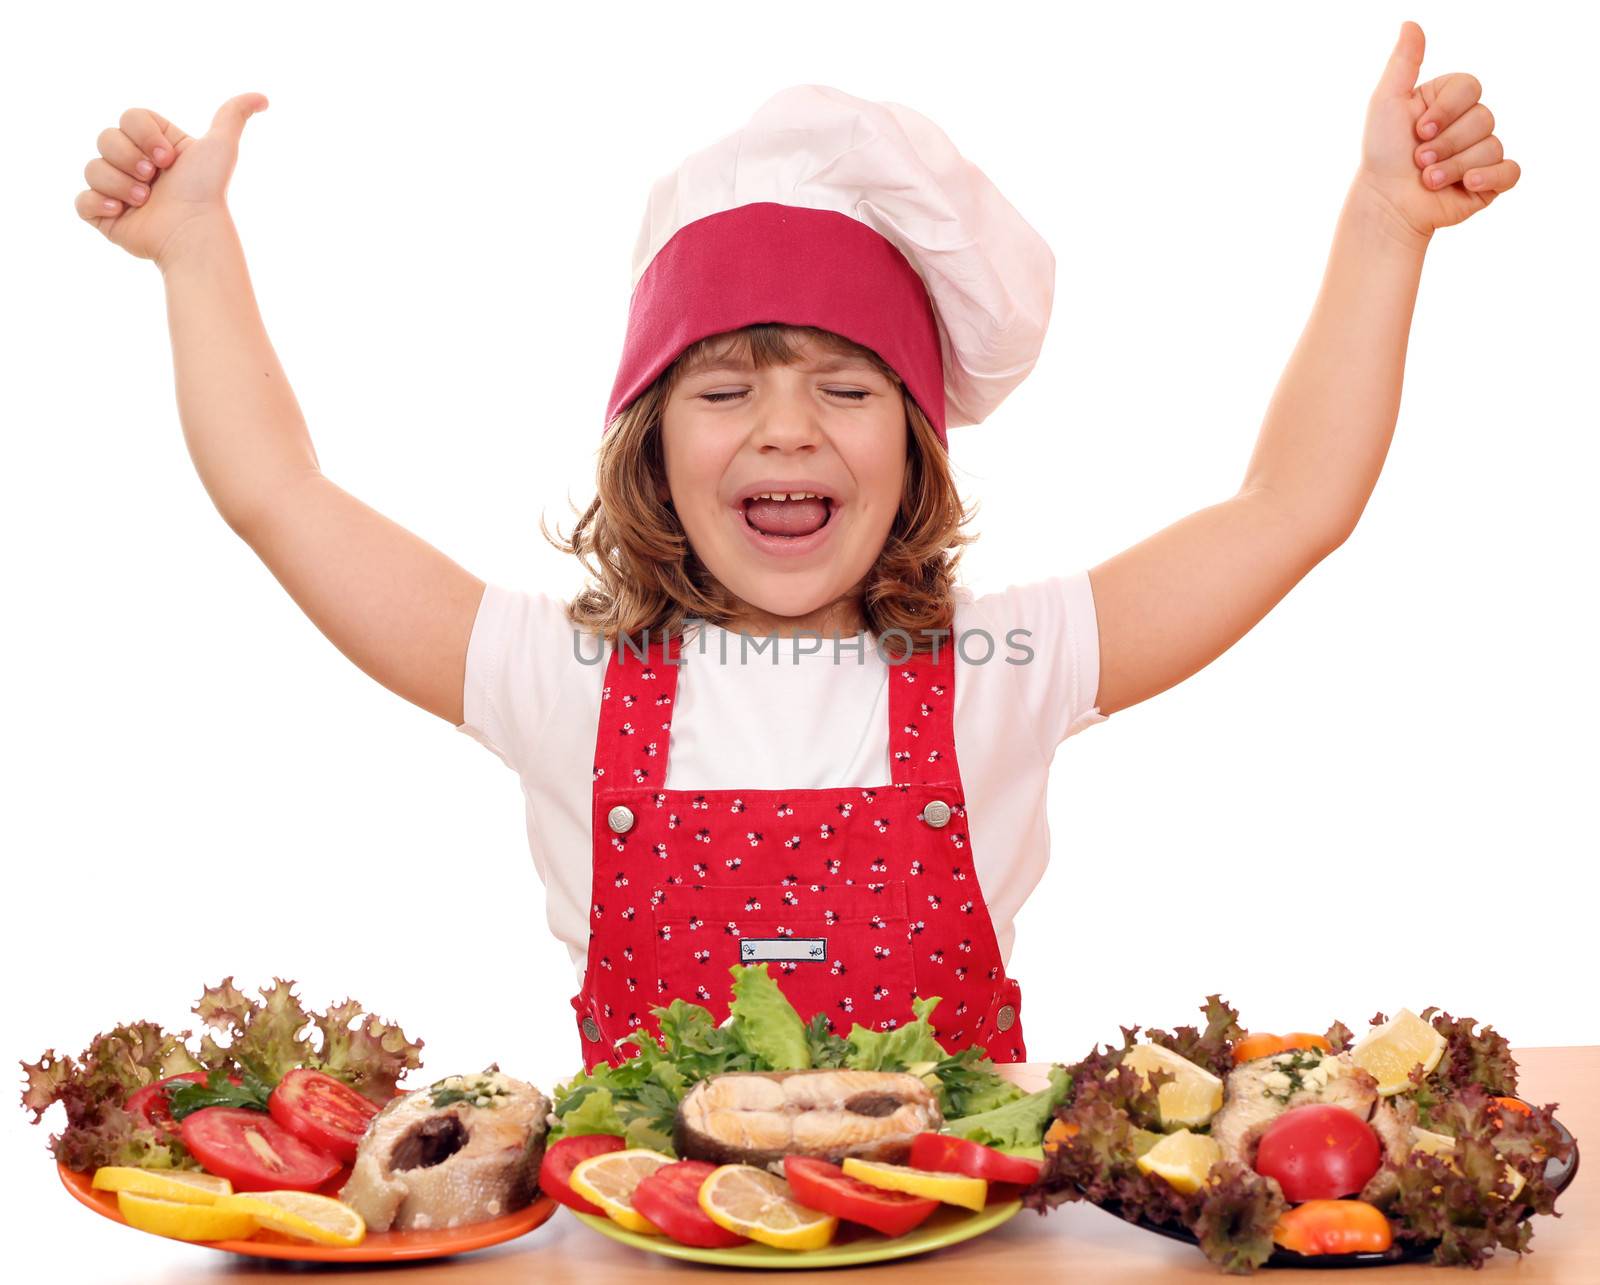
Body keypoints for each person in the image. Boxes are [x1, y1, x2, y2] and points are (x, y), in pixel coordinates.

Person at [71, 22, 1519, 1070]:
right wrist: (196, 252)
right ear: (648, 439)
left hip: (956, 1243)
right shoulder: (557, 673)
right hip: (651, 1248)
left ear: (917, 448)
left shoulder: (1000, 665)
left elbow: (1291, 505)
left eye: (843, 386)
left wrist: (1387, 224)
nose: (784, 429)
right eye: (724, 385)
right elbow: (280, 492)